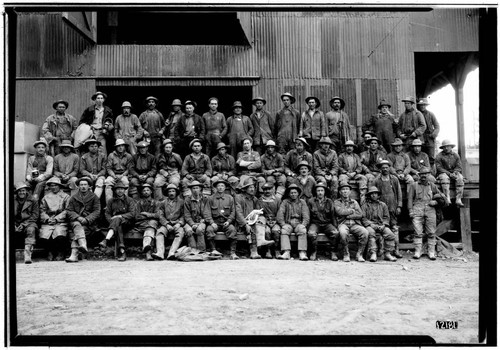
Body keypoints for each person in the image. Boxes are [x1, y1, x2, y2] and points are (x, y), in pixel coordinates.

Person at [407, 167, 445, 260]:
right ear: (419, 175)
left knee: (431, 232)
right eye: (422, 174)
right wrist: (410, 210)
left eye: (426, 174)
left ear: (429, 175)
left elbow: (441, 197)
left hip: (430, 209)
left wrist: (435, 202)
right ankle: (417, 251)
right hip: (417, 209)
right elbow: (410, 199)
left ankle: (431, 252)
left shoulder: (432, 186)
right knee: (417, 232)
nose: (423, 176)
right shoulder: (414, 185)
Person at [235, 178, 275, 259]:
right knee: (252, 227)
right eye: (250, 187)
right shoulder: (239, 198)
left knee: (264, 225)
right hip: (241, 223)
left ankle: (264, 248)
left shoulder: (255, 199)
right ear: (245, 189)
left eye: (253, 187)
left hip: (254, 221)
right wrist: (245, 224)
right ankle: (254, 251)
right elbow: (238, 213)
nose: (252, 189)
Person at [66, 177, 101, 263]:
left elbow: (97, 211)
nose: (83, 187)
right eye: (81, 185)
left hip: (89, 223)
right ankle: (82, 244)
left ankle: (74, 255)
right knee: (77, 225)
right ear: (78, 186)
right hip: (76, 220)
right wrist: (78, 217)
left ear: (89, 186)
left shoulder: (94, 197)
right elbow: (69, 210)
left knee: (80, 231)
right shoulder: (74, 197)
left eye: (85, 184)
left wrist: (87, 219)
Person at [373, 160, 403, 258]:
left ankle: (396, 250)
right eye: (383, 168)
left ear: (389, 168)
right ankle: (382, 250)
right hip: (381, 208)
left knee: (394, 228)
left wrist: (399, 206)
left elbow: (399, 193)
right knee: (382, 228)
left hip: (392, 207)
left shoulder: (394, 179)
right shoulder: (377, 180)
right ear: (380, 169)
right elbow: (374, 194)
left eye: (386, 167)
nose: (385, 169)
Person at [102, 180, 136, 262]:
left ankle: (106, 240)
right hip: (116, 224)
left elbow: (132, 213)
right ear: (115, 191)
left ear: (124, 190)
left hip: (128, 222)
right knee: (118, 226)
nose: (120, 191)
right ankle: (122, 252)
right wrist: (112, 221)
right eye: (118, 189)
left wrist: (120, 216)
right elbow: (107, 213)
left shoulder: (129, 200)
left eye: (122, 189)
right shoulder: (111, 201)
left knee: (117, 220)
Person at [334, 183, 369, 262]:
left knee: (365, 232)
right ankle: (346, 253)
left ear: (350, 192)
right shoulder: (337, 202)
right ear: (340, 192)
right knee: (343, 233)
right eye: (343, 189)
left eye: (347, 189)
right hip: (343, 224)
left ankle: (359, 254)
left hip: (354, 224)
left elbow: (360, 214)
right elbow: (339, 212)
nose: (345, 191)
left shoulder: (354, 202)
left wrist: (349, 216)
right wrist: (352, 211)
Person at [361, 187, 397, 262]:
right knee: (371, 233)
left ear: (378, 195)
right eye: (372, 194)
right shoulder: (365, 205)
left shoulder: (383, 205)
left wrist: (384, 225)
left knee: (390, 234)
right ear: (369, 195)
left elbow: (386, 217)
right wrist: (371, 225)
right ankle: (373, 253)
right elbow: (363, 218)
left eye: (375, 194)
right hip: (370, 225)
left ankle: (387, 253)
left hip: (381, 225)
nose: (374, 195)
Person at [204, 179, 238, 259]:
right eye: (218, 186)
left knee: (232, 230)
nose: (220, 188)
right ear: (215, 187)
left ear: (225, 187)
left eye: (222, 186)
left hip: (226, 222)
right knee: (209, 230)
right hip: (214, 222)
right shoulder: (210, 198)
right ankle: (213, 250)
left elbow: (233, 212)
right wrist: (212, 222)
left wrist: (229, 221)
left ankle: (232, 253)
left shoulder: (230, 198)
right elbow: (207, 212)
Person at [39, 177, 70, 261]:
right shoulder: (46, 197)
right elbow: (42, 210)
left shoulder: (66, 197)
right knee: (45, 234)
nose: (53, 187)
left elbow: (67, 210)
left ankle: (61, 252)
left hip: (60, 221)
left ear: (59, 186)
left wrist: (57, 218)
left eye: (55, 185)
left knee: (59, 234)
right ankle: (50, 252)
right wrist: (47, 219)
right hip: (48, 221)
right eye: (51, 186)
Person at [276, 183, 310, 261]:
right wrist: (283, 224)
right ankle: (286, 252)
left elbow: (306, 215)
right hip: (288, 222)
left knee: (302, 230)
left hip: (299, 223)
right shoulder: (285, 202)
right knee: (284, 230)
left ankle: (302, 252)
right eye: (291, 193)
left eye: (295, 192)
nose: (293, 194)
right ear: (289, 194)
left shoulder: (302, 202)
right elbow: (280, 214)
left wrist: (304, 224)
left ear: (298, 193)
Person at [307, 182, 339, 261]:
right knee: (311, 233)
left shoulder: (329, 201)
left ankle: (333, 252)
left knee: (335, 233)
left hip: (327, 223)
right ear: (316, 192)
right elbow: (308, 215)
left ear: (324, 192)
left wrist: (335, 226)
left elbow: (333, 215)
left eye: (322, 190)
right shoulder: (311, 201)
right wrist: (308, 227)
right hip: (315, 223)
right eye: (318, 191)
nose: (320, 192)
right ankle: (313, 251)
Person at [153, 184, 185, 260]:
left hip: (177, 224)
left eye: (173, 191)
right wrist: (166, 224)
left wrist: (179, 223)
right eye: (169, 191)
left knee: (180, 233)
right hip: (166, 224)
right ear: (167, 193)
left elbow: (184, 215)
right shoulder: (163, 203)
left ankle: (172, 252)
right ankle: (160, 253)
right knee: (160, 232)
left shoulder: (181, 202)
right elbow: (160, 215)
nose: (171, 193)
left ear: (176, 192)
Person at [130, 183, 161, 261]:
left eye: (148, 190)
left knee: (151, 226)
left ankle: (147, 249)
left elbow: (158, 215)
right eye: (144, 190)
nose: (146, 192)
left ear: (151, 192)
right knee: (150, 228)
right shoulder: (138, 203)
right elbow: (136, 216)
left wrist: (147, 214)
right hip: (141, 224)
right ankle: (148, 251)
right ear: (141, 193)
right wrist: (150, 216)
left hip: (152, 224)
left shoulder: (156, 202)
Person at [79, 91, 114, 155]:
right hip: (91, 132)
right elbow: (82, 121)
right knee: (90, 149)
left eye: (101, 98)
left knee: (103, 150)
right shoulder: (89, 110)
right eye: (98, 98)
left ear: (103, 100)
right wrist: (86, 129)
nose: (99, 100)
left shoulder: (108, 110)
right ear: (95, 99)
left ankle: (103, 164)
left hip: (102, 133)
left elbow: (110, 120)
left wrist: (107, 127)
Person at [14, 182, 39, 264]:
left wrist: (23, 224)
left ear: (27, 191)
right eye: (19, 191)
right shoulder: (12, 200)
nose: (21, 193)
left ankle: (27, 253)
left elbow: (35, 216)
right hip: (15, 222)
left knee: (31, 230)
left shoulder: (33, 200)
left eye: (23, 190)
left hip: (29, 222)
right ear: (17, 192)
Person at [435, 139, 465, 207]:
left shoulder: (456, 155)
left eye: (448, 146)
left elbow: (459, 166)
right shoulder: (439, 156)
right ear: (442, 148)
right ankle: (447, 197)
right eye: (444, 147)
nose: (446, 148)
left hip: (453, 173)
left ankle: (458, 199)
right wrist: (449, 174)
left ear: (451, 147)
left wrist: (455, 172)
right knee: (444, 178)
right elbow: (439, 168)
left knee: (460, 177)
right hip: (443, 173)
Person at [183, 181, 210, 253]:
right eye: (193, 188)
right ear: (191, 190)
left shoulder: (205, 199)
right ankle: (193, 250)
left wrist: (204, 220)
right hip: (190, 222)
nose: (195, 190)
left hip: (202, 221)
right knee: (188, 231)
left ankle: (201, 251)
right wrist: (192, 224)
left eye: (197, 188)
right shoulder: (187, 200)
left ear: (200, 189)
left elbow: (207, 211)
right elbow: (187, 215)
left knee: (200, 229)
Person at [258, 182, 282, 259]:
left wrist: (276, 221)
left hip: (276, 221)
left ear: (272, 189)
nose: (267, 191)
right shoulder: (260, 200)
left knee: (276, 231)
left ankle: (276, 250)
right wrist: (266, 222)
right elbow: (259, 213)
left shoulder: (277, 200)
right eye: (265, 190)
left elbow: (280, 212)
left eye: (269, 189)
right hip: (264, 222)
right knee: (267, 231)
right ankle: (268, 250)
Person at [104, 139, 133, 203]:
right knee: (108, 182)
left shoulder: (128, 156)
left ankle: (124, 203)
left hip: (124, 174)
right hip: (113, 174)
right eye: (118, 146)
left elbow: (129, 169)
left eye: (122, 146)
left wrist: (122, 175)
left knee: (125, 182)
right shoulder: (111, 155)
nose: (120, 147)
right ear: (116, 147)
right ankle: (109, 204)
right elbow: (108, 168)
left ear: (124, 147)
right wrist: (114, 176)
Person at [417, 98, 440, 167]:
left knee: (430, 156)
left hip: (429, 137)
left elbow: (437, 126)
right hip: (420, 137)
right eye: (421, 105)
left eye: (424, 105)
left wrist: (433, 134)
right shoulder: (417, 114)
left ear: (426, 105)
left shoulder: (431, 114)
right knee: (420, 155)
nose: (422, 106)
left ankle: (431, 172)